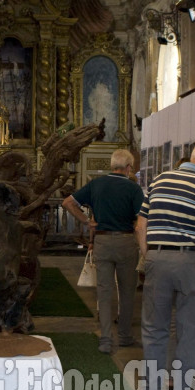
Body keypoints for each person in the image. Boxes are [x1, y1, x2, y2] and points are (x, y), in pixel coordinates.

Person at [135, 140, 195, 390]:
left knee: (153, 332)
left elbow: (141, 227)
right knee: (188, 334)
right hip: (193, 263)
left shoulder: (159, 181)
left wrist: (150, 255)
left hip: (158, 258)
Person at [62, 149, 144, 354]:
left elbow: (68, 202)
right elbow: (140, 220)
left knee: (104, 292)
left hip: (102, 241)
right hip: (126, 242)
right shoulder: (133, 188)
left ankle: (106, 339)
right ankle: (124, 335)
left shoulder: (96, 184)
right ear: (127, 168)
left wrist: (87, 222)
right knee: (127, 292)